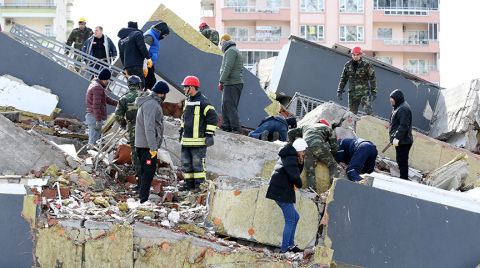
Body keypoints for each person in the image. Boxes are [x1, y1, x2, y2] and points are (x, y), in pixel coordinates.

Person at [266, 138, 307, 253]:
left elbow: (296, 171)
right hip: (281, 192)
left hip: (282, 191)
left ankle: (291, 245)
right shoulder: (290, 157)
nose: (304, 153)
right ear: (299, 150)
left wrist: (301, 161)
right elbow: (294, 176)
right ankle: (284, 250)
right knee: (290, 219)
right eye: (303, 151)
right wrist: (300, 184)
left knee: (295, 217)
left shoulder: (291, 156)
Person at [179, 76, 219, 191]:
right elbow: (184, 119)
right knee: (186, 164)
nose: (184, 89)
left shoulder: (203, 101)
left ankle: (199, 186)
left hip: (198, 142)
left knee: (197, 165)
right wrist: (181, 132)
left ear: (191, 87)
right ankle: (189, 184)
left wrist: (209, 134)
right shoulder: (188, 101)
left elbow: (213, 117)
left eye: (185, 87)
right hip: (186, 141)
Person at [134, 81, 169, 203]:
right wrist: (153, 148)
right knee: (148, 172)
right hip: (147, 146)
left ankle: (142, 196)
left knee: (145, 171)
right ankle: (143, 199)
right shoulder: (152, 104)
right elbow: (149, 128)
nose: (165, 97)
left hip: (143, 144)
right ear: (161, 93)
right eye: (165, 94)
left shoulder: (148, 102)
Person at [288, 119, 339, 190]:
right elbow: (335, 147)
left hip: (305, 148)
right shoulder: (328, 129)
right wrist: (329, 155)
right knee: (332, 164)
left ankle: (311, 191)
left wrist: (292, 145)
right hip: (318, 145)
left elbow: (290, 132)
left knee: (310, 172)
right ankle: (334, 189)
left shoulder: (306, 126)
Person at [115, 75, 143, 190]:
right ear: (139, 84)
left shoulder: (124, 98)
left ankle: (141, 182)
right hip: (147, 131)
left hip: (134, 131)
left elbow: (118, 116)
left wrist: (123, 124)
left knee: (136, 155)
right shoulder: (146, 96)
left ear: (129, 85)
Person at [337, 46, 377, 115]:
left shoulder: (366, 65)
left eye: (357, 55)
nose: (355, 56)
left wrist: (374, 91)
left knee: (368, 111)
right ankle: (352, 126)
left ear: (360, 55)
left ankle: (374, 125)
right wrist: (340, 90)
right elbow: (343, 79)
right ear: (352, 55)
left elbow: (372, 78)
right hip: (352, 93)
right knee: (351, 114)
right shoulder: (347, 65)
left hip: (364, 92)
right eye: (354, 55)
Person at [85, 69, 118, 145]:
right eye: (107, 80)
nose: (108, 82)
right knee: (93, 143)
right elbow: (96, 106)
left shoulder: (95, 84)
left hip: (92, 116)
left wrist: (119, 103)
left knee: (94, 141)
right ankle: (90, 156)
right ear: (104, 79)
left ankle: (90, 155)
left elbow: (106, 99)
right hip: (94, 118)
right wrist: (98, 121)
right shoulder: (98, 88)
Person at [218, 34, 243, 133]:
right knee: (226, 105)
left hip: (232, 83)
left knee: (230, 106)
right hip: (231, 83)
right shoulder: (232, 50)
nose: (220, 45)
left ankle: (235, 128)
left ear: (224, 41)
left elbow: (227, 67)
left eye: (220, 43)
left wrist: (221, 81)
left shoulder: (231, 51)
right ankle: (226, 126)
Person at [389, 89, 413, 180]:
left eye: (392, 100)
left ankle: (404, 179)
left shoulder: (403, 109)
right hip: (401, 140)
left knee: (402, 161)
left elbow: (403, 126)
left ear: (397, 99)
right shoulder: (398, 106)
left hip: (404, 141)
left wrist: (396, 138)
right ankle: (403, 178)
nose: (391, 101)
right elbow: (396, 121)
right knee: (400, 160)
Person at [118, 21, 150, 88]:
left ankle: (132, 97)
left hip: (127, 67)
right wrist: (148, 58)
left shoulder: (120, 41)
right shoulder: (136, 34)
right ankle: (138, 97)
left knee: (132, 86)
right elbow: (142, 47)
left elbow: (121, 55)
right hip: (136, 65)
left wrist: (125, 68)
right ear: (136, 27)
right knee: (141, 85)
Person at [144, 21, 170, 90]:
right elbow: (143, 50)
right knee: (152, 83)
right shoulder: (150, 36)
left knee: (151, 83)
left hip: (149, 64)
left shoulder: (155, 36)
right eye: (164, 35)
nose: (164, 37)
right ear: (160, 32)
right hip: (146, 63)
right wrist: (144, 66)